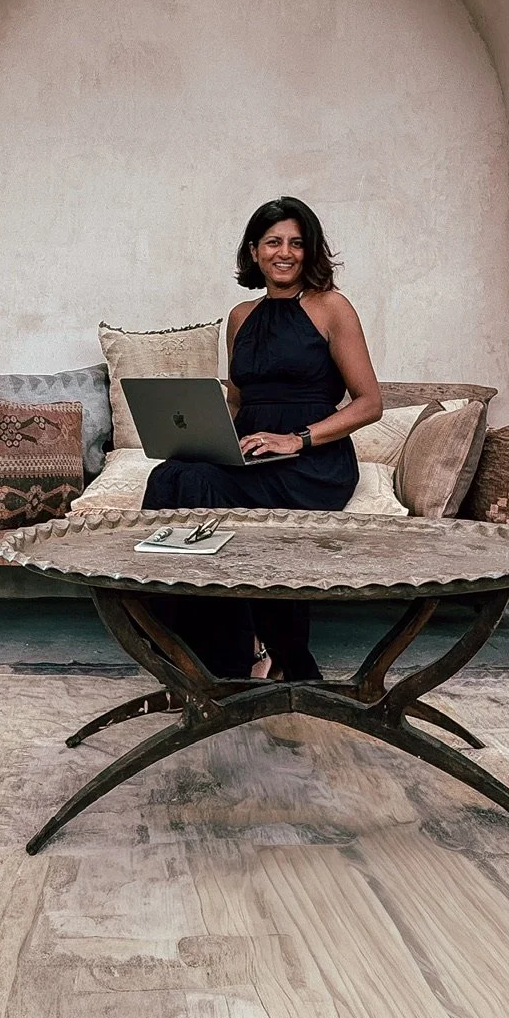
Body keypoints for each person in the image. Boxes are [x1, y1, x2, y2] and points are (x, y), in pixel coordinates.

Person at [142, 196, 383, 682]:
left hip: (312, 463)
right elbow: (237, 400)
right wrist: (206, 438)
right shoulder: (240, 316)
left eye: (296, 243)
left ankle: (238, 662)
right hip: (254, 455)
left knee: (201, 488)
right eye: (273, 242)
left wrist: (296, 439)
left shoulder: (331, 307)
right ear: (254, 251)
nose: (285, 252)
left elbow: (369, 402)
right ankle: (191, 653)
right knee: (172, 476)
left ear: (310, 251)